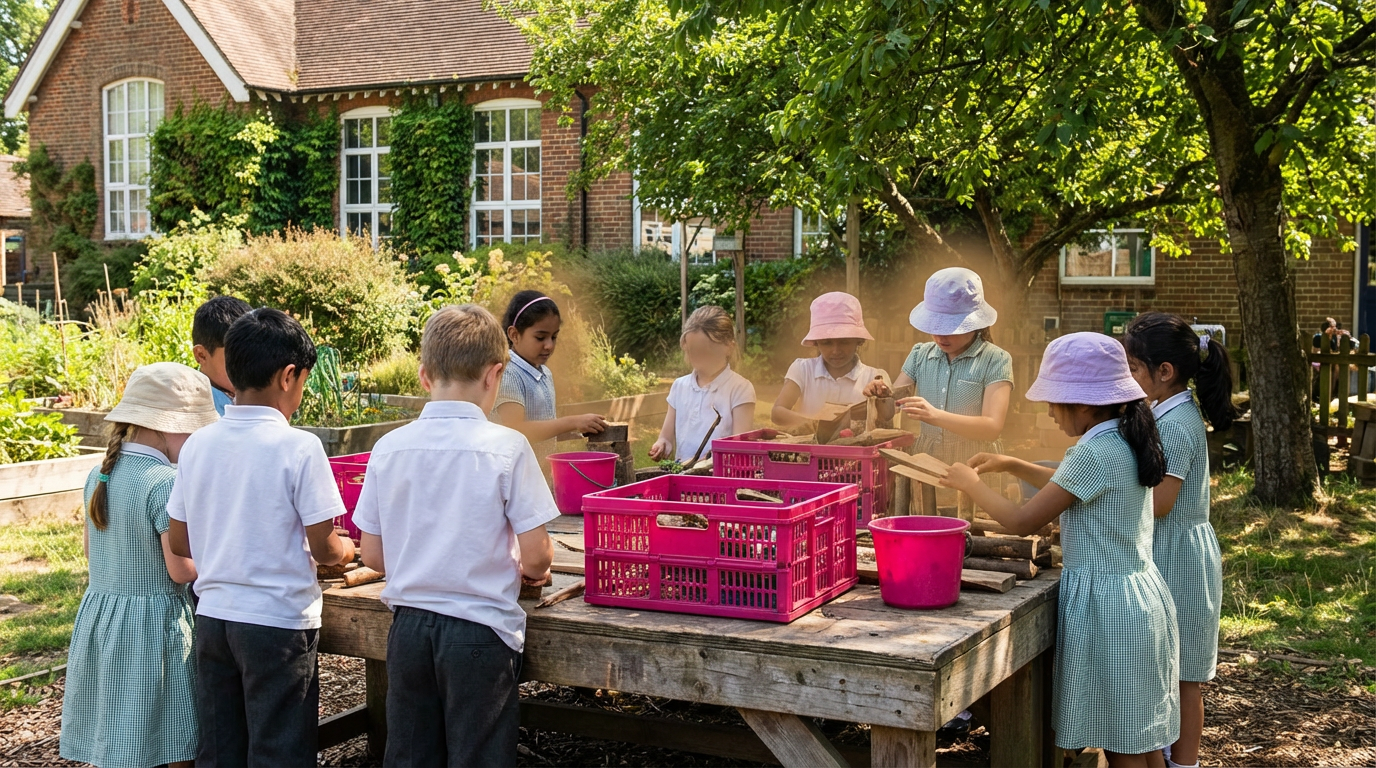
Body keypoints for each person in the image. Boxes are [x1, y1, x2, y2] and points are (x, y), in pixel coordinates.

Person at [942, 332, 1179, 768]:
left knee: (1119, 743)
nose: (1049, 412)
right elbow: (1068, 488)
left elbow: (1021, 521)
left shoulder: (1091, 452)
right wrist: (1011, 462)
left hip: (1110, 611)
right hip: (1140, 597)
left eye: (1054, 401)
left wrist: (970, 485)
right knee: (1142, 739)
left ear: (1085, 403)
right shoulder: (1125, 437)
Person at [353, 304, 559, 766]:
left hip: (408, 631)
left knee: (409, 752)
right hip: (479, 632)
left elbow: (373, 554)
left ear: (424, 376)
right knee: (479, 754)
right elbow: (537, 559)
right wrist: (529, 567)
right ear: (496, 375)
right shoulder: (507, 447)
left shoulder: (388, 447)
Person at [167, 308, 356, 767]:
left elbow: (180, 542)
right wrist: (346, 548)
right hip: (278, 625)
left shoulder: (198, 445)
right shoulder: (300, 446)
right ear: (289, 376)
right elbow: (324, 548)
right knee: (280, 749)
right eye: (305, 381)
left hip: (213, 620)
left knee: (221, 748)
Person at [59, 363, 218, 768]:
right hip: (156, 626)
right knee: (175, 735)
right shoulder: (163, 481)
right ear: (168, 427)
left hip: (103, 618)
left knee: (122, 731)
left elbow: (91, 553)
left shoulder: (99, 474)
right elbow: (181, 570)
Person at [1125, 313, 1236, 768]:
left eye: (1133, 367)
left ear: (1163, 372)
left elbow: (1161, 502)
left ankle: (1184, 763)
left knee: (1184, 677)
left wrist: (1104, 505)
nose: (1128, 378)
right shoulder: (1164, 411)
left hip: (1180, 557)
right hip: (1169, 550)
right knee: (1163, 671)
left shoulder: (1177, 423)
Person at [864, 267, 1012, 473]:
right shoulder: (920, 355)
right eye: (936, 327)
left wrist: (936, 416)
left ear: (975, 323)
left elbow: (992, 428)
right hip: (927, 463)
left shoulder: (995, 359)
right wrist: (880, 395)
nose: (941, 337)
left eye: (951, 329)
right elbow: (892, 409)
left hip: (977, 467)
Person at [490, 290, 607, 470]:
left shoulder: (543, 373)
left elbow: (544, 425)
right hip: (513, 478)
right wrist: (572, 422)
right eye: (540, 337)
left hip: (538, 477)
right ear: (514, 335)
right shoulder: (509, 374)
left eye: (554, 337)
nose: (549, 345)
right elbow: (516, 431)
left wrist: (575, 429)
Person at [650, 305, 756, 465]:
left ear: (728, 347)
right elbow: (666, 437)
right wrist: (662, 444)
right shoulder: (680, 386)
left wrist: (707, 462)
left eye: (705, 351)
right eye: (693, 350)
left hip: (720, 480)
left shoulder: (740, 389)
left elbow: (738, 450)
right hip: (683, 478)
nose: (698, 357)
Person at [772, 292, 888, 430]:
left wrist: (882, 397)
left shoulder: (874, 378)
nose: (836, 350)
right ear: (816, 343)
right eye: (827, 343)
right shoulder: (803, 370)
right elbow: (777, 412)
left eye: (844, 342)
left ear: (859, 341)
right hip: (810, 450)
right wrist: (809, 423)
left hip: (856, 451)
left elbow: (888, 416)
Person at [191, 295, 252, 416]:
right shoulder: (200, 409)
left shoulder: (246, 397)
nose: (247, 365)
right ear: (201, 355)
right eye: (236, 357)